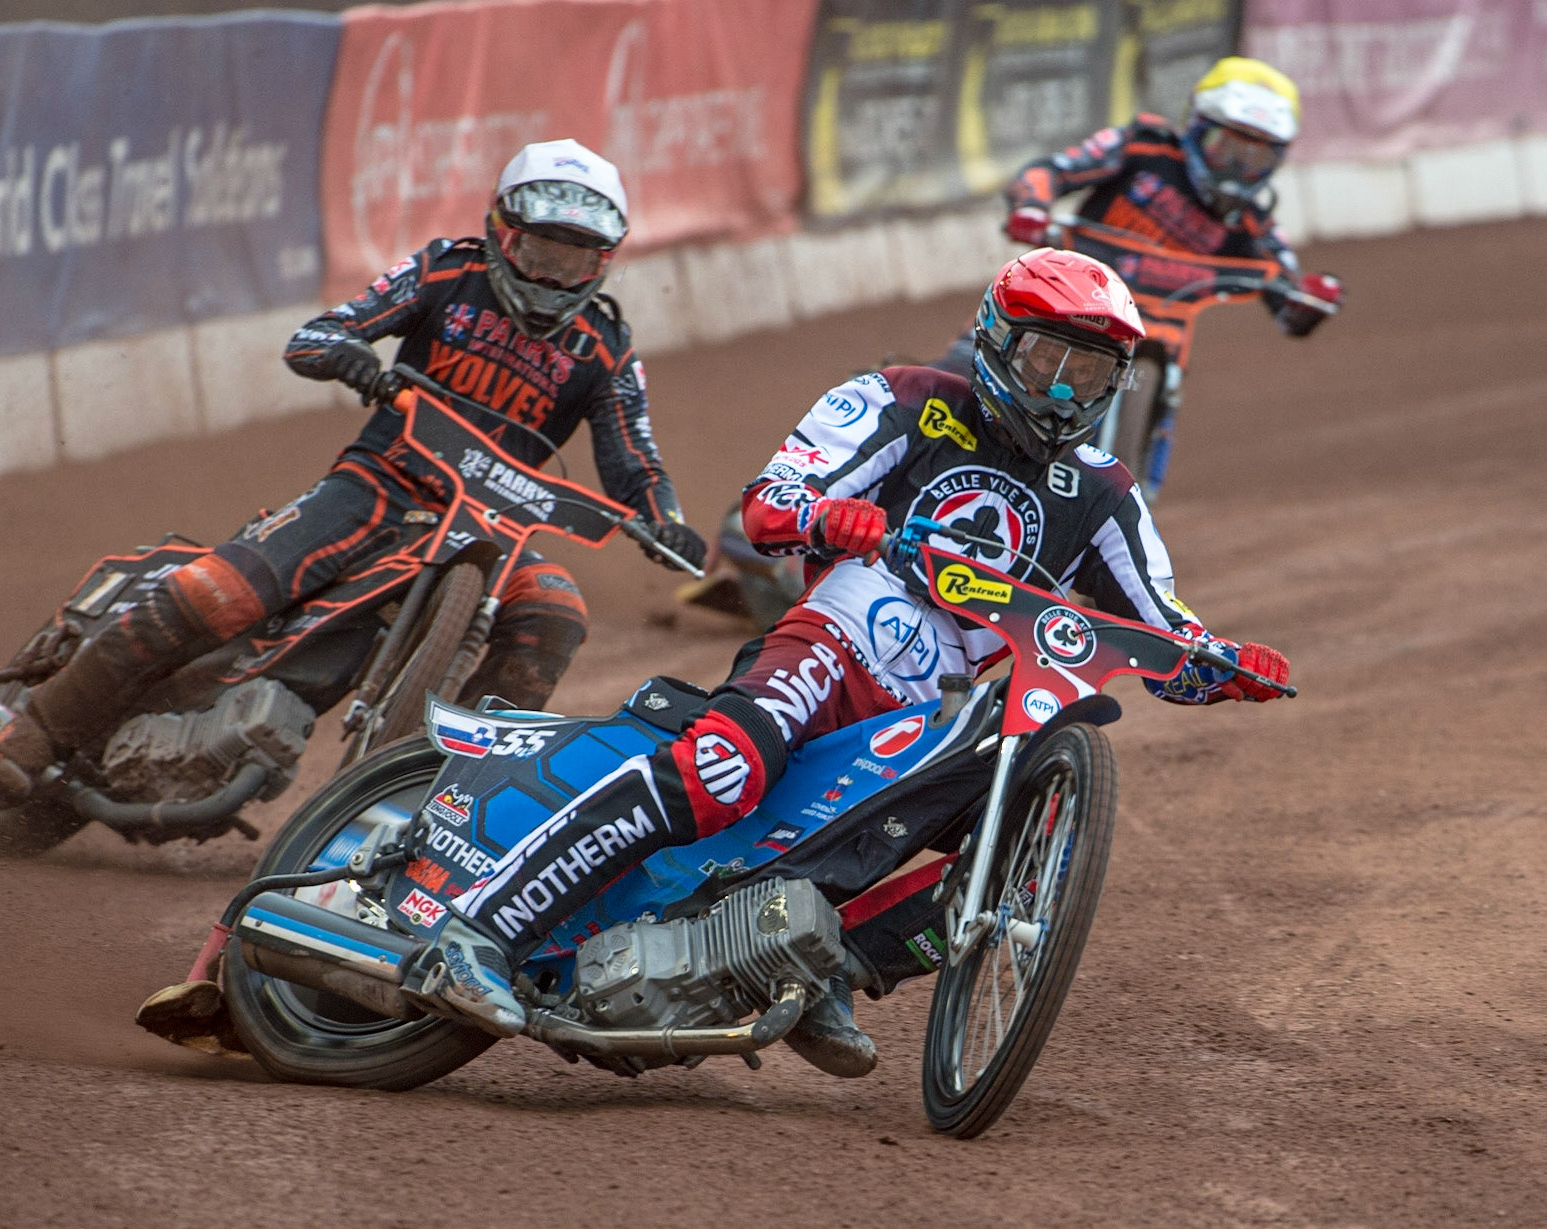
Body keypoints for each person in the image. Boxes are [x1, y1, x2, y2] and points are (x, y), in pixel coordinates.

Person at [410, 248, 1291, 1078]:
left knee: (1016, 832)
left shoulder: (1103, 491)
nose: (1063, 391)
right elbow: (769, 505)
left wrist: (1219, 662)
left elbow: (1163, 629)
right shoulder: (903, 397)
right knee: (722, 768)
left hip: (928, 712)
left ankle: (828, 966)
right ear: (994, 339)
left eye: (1090, 373)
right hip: (834, 640)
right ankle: (475, 931)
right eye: (1044, 361)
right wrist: (829, 519)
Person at [0, 139, 707, 802]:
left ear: (603, 264)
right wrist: (353, 359)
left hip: (495, 526)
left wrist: (665, 522)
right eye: (541, 251)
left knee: (556, 609)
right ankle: (36, 728)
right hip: (379, 484)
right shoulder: (442, 271)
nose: (552, 275)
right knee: (219, 591)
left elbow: (633, 461)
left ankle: (457, 799)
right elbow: (314, 336)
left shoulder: (604, 348)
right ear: (501, 232)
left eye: (574, 260)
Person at [1001, 56, 1343, 490]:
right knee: (984, 352)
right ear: (1197, 128)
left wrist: (1309, 299)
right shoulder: (1142, 147)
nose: (1237, 169)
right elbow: (1052, 169)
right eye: (1228, 148)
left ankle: (1127, 496)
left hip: (1156, 333)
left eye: (1255, 157)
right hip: (1065, 300)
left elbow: (1289, 300)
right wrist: (1031, 205)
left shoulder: (1254, 224)